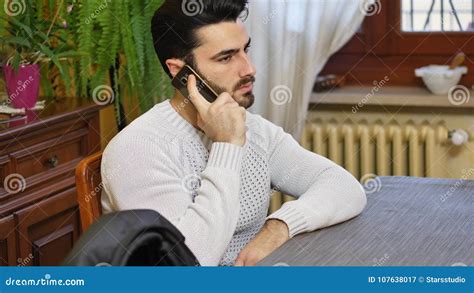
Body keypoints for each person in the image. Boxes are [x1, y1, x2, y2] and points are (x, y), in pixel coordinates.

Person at [101, 0, 366, 266]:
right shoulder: (137, 149)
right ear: (179, 72)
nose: (249, 69)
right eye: (226, 57)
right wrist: (226, 144)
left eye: (245, 50)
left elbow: (343, 186)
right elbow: (188, 262)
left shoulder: (254, 129)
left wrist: (279, 226)